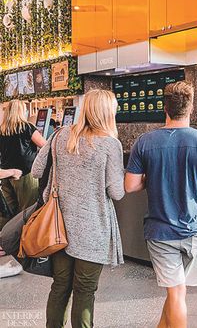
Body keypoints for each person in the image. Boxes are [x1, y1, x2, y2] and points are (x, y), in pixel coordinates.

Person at [125, 81, 197, 328]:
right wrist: (195, 181)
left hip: (161, 232)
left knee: (176, 293)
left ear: (165, 109)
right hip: (195, 230)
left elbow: (130, 185)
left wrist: (154, 177)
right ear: (190, 108)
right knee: (177, 291)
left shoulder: (145, 142)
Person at [32, 89, 125, 328]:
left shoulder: (61, 135)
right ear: (107, 113)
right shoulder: (110, 144)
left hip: (58, 226)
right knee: (84, 291)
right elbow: (116, 192)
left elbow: (35, 171)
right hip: (92, 230)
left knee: (60, 287)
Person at [0, 99, 46, 219]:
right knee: (26, 211)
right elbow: (45, 146)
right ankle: (24, 236)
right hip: (25, 173)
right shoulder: (27, 127)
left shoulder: (2, 129)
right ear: (21, 111)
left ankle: (7, 236)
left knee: (9, 211)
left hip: (6, 174)